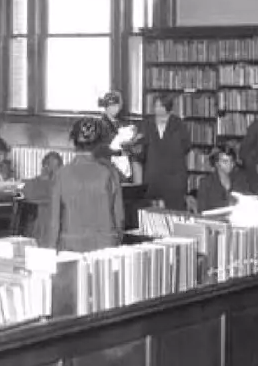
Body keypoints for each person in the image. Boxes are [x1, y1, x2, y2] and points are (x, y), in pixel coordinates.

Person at [37, 118, 123, 253]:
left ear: (74, 141)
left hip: (71, 250)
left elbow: (54, 223)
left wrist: (51, 253)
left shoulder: (61, 174)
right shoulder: (110, 173)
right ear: (99, 143)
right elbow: (119, 219)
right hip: (106, 249)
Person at [139, 91, 192, 208]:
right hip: (153, 176)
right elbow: (141, 150)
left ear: (166, 107)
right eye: (155, 106)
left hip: (174, 178)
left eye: (159, 106)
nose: (156, 109)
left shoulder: (179, 124)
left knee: (174, 212)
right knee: (151, 214)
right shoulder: (147, 124)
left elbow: (186, 146)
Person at [194, 142, 258, 212]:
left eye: (231, 161)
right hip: (213, 221)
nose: (230, 164)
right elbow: (201, 211)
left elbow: (247, 202)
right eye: (225, 161)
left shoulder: (241, 179)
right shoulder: (206, 182)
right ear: (216, 163)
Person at [97, 91, 141, 183]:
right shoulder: (100, 124)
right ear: (106, 106)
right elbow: (102, 148)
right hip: (109, 164)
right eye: (113, 106)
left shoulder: (120, 122)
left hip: (124, 159)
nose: (116, 109)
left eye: (117, 106)